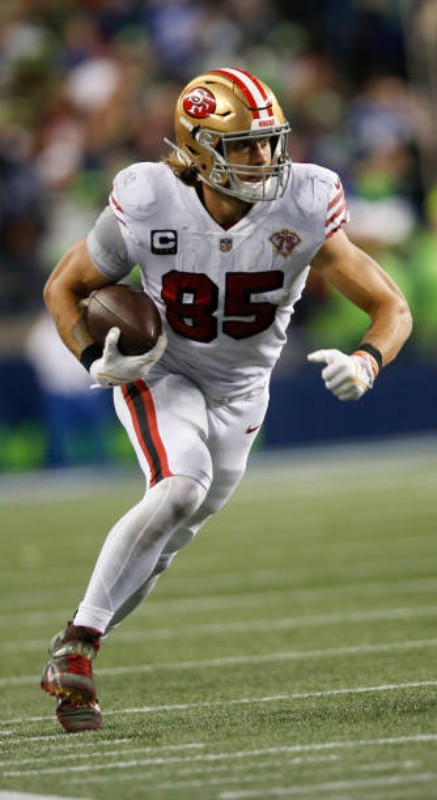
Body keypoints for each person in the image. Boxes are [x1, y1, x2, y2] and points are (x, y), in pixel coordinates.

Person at [40, 67, 412, 733]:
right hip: (163, 370)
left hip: (244, 392)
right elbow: (63, 288)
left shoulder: (305, 200)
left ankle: (76, 650)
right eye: (244, 145)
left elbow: (391, 307)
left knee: (166, 540)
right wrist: (95, 358)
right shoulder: (148, 199)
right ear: (197, 148)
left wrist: (367, 360)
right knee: (180, 486)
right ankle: (79, 646)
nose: (263, 156)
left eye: (269, 141)